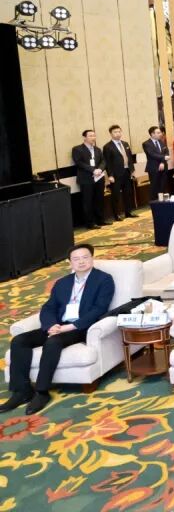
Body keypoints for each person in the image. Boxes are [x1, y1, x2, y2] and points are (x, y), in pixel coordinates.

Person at [0, 244, 115, 415]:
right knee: (19, 341)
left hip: (80, 328)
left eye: (85, 257)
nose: (81, 262)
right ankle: (22, 391)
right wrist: (50, 325)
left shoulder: (104, 280)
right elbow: (49, 307)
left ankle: (42, 391)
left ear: (92, 258)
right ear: (70, 263)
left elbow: (99, 308)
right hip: (58, 326)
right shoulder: (62, 283)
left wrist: (69, 327)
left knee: (53, 342)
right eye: (76, 259)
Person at [72, 129, 108, 229]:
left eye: (94, 136)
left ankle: (100, 220)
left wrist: (100, 169)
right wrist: (93, 170)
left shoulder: (97, 149)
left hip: (99, 178)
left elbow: (103, 161)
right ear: (84, 137)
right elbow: (79, 162)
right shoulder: (77, 149)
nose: (93, 138)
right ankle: (90, 223)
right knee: (88, 201)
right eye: (91, 136)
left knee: (99, 199)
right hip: (86, 179)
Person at [103, 125, 137, 221]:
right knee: (116, 195)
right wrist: (110, 175)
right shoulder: (107, 147)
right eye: (115, 132)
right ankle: (116, 214)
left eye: (119, 131)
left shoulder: (125, 144)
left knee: (128, 193)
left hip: (127, 172)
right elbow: (107, 162)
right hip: (116, 174)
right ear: (111, 134)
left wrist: (132, 170)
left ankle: (128, 212)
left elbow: (130, 158)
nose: (118, 134)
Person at [143, 126, 169, 199]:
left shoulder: (162, 142)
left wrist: (162, 162)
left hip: (163, 167)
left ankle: (163, 202)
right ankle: (155, 203)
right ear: (152, 134)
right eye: (158, 133)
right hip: (153, 168)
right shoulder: (146, 144)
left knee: (163, 186)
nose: (160, 134)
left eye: (160, 132)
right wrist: (163, 158)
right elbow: (152, 154)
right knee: (154, 187)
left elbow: (166, 152)